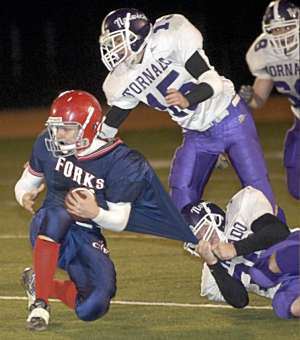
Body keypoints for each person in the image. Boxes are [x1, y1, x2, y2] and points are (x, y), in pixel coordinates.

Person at [14, 90, 198, 331]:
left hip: (88, 232)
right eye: (57, 127)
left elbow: (120, 220)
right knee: (59, 210)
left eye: (66, 129)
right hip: (48, 228)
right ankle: (40, 303)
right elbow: (25, 183)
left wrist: (95, 214)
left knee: (94, 305)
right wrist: (24, 195)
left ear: (88, 128)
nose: (58, 134)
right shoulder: (47, 144)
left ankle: (40, 283)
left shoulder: (121, 161)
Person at [98, 8, 279, 216]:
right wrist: (92, 144)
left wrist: (187, 99)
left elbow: (212, 81)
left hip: (229, 119)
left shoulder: (169, 37)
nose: (114, 48)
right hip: (196, 134)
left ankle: (275, 238)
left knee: (259, 195)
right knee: (181, 201)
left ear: (136, 35)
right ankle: (214, 239)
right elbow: (115, 117)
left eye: (117, 41)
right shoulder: (120, 79)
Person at [182, 186, 300, 319]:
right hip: (287, 284)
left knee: (264, 271)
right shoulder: (211, 279)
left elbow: (278, 232)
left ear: (215, 219)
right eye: (196, 239)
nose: (201, 241)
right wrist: (213, 264)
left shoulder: (241, 207)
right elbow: (240, 301)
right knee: (286, 306)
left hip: (292, 253)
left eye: (202, 231)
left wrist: (236, 248)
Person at [239, 0, 300, 200]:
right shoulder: (262, 52)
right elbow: (259, 99)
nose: (283, 35)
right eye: (276, 30)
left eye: (288, 27)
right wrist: (250, 98)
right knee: (296, 186)